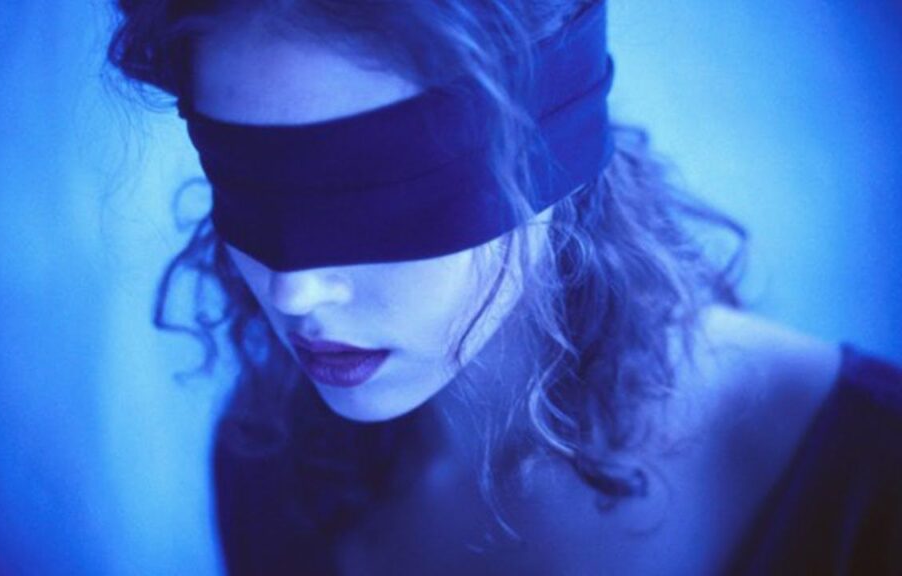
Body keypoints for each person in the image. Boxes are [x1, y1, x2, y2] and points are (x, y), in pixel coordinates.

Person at [107, 0, 902, 573]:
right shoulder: (271, 464)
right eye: (248, 188)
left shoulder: (874, 477)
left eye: (373, 202)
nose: (295, 293)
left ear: (550, 154)